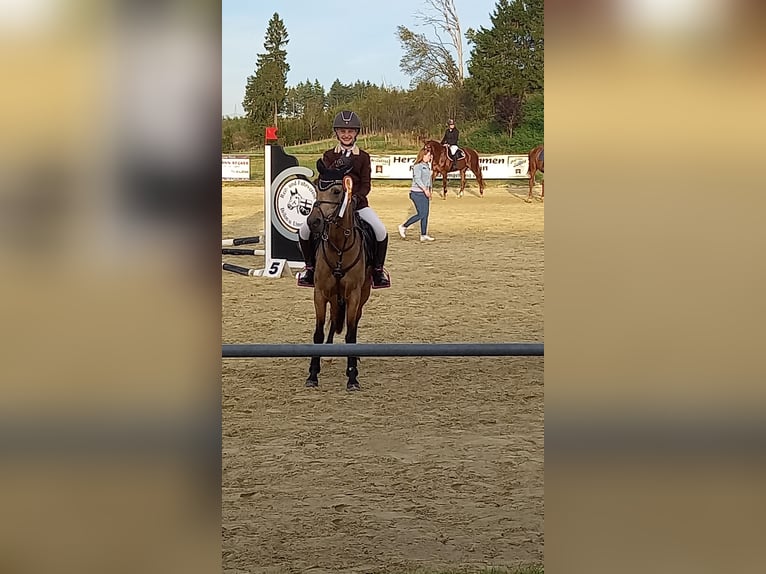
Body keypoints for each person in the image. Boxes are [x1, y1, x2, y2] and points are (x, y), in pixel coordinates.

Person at [297, 110, 391, 289]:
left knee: (381, 231)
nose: (346, 135)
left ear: (356, 133)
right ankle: (309, 268)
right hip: (332, 206)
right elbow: (324, 178)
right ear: (337, 133)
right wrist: (340, 161)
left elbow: (366, 184)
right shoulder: (329, 155)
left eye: (350, 131)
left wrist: (355, 199)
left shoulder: (363, 157)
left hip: (357, 205)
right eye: (342, 131)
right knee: (304, 230)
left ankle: (378, 271)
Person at [398, 147, 435, 242]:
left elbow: (428, 180)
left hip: (424, 192)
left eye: (430, 155)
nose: (429, 157)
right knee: (421, 214)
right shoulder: (417, 166)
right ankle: (403, 226)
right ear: (422, 156)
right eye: (428, 155)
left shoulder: (426, 166)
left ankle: (423, 234)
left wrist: (430, 190)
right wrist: (425, 189)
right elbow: (418, 179)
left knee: (425, 214)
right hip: (417, 193)